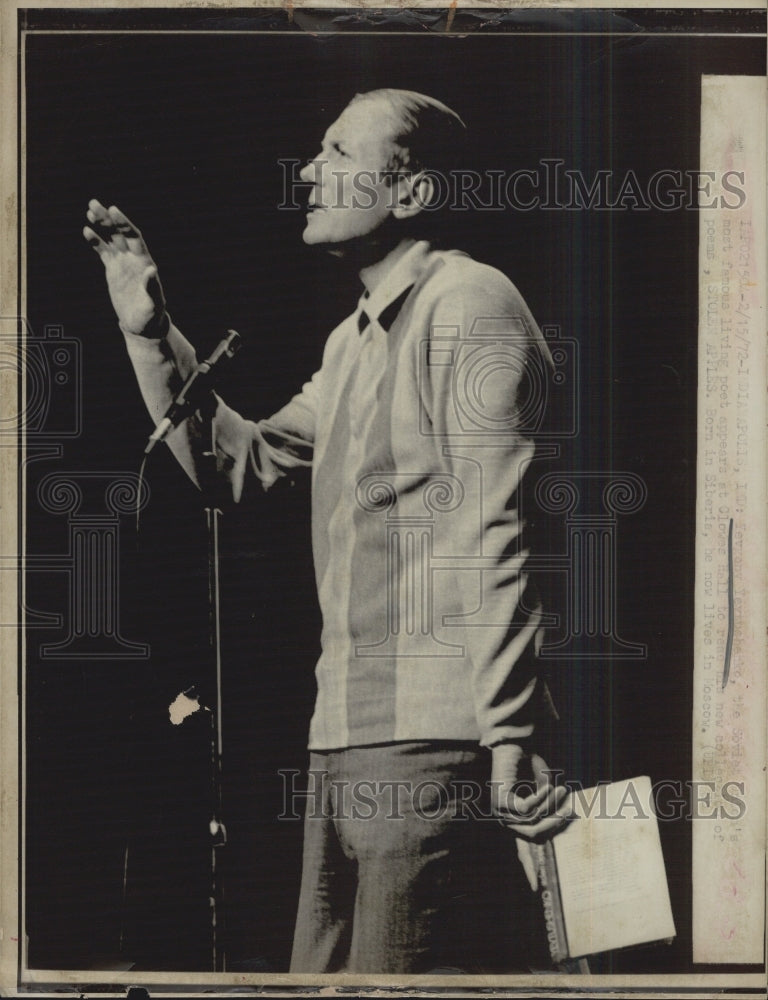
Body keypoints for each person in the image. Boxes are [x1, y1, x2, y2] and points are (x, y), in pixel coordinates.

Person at [83, 88, 570, 974]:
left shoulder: (470, 303)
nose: (309, 172)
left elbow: (495, 530)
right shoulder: (352, 342)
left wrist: (509, 734)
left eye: (339, 153)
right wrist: (150, 333)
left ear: (413, 192)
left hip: (435, 740)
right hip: (343, 735)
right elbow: (238, 465)